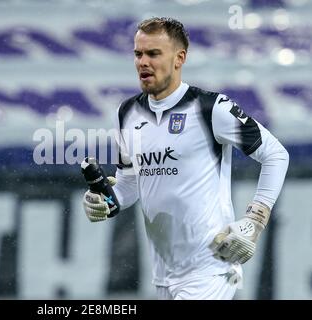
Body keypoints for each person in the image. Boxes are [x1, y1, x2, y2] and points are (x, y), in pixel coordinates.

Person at [82, 17, 289, 300]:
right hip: (164, 273)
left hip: (211, 268)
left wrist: (255, 220)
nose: (143, 62)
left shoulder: (210, 108)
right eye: (138, 54)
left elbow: (276, 154)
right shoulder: (126, 113)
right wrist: (106, 200)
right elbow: (130, 183)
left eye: (153, 53)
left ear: (179, 58)